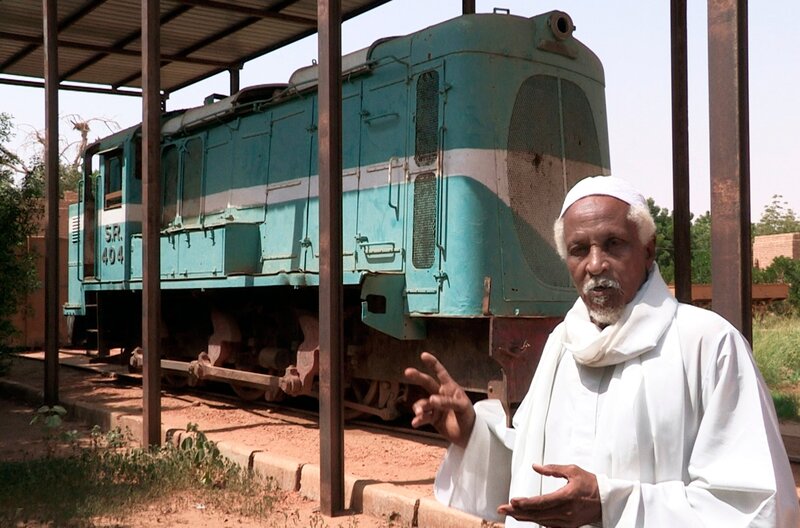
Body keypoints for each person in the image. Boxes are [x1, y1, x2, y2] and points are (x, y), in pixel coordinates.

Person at [405, 175, 800, 527]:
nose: (595, 265)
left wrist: (609, 505)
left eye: (613, 244)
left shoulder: (708, 344)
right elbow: (532, 467)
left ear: (648, 250)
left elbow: (754, 506)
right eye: (579, 249)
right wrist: (472, 433)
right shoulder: (563, 343)